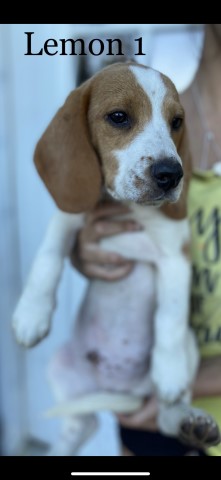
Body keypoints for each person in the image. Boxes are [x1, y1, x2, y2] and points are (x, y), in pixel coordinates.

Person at [70, 24, 221, 456]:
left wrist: (186, 381)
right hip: (149, 423)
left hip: (168, 391)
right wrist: (87, 252)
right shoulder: (155, 107)